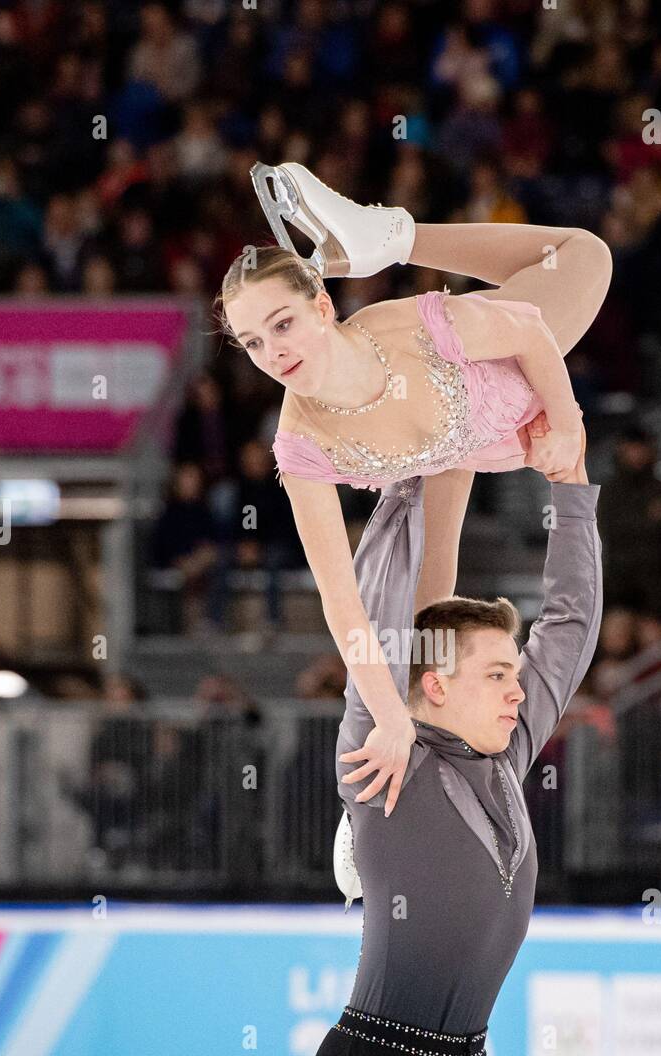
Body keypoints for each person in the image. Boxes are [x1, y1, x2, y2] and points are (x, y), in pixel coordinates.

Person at [302, 423, 602, 1056]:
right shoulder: (384, 763)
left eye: (516, 676)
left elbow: (573, 625)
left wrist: (571, 492)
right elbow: (380, 620)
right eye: (498, 674)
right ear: (436, 683)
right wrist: (404, 493)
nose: (520, 689)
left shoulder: (507, 757)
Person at [214, 161, 612, 812]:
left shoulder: (405, 330)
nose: (272, 353)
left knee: (583, 252)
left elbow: (532, 332)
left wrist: (567, 429)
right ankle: (370, 801)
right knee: (423, 629)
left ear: (321, 306)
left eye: (282, 324)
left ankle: (394, 236)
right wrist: (390, 720)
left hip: (504, 393)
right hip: (452, 449)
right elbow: (343, 606)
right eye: (253, 342)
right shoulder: (299, 443)